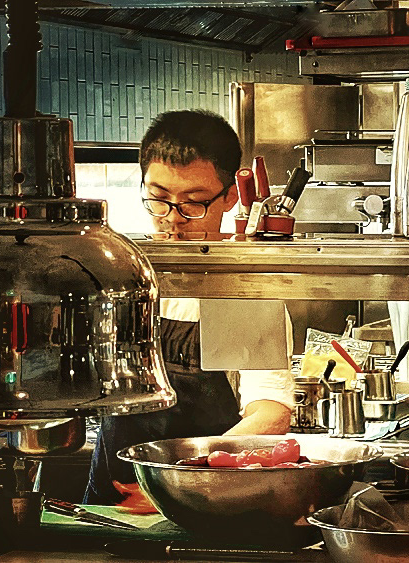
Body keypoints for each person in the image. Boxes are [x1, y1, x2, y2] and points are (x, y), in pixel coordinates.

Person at [84, 110, 295, 505]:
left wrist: (183, 479)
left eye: (194, 203)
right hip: (112, 495)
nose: (172, 221)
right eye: (158, 200)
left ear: (230, 196)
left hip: (208, 497)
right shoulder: (123, 277)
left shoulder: (240, 290)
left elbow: (269, 415)